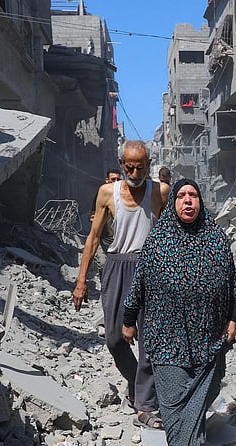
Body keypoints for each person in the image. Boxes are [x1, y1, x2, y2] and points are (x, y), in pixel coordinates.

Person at [121, 178, 236, 446]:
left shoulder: (216, 239)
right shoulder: (158, 241)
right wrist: (129, 320)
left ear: (201, 202)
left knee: (206, 388)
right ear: (173, 202)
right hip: (165, 335)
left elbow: (232, 283)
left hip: (208, 335)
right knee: (173, 400)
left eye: (194, 196)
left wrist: (232, 319)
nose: (188, 201)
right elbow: (139, 285)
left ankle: (188, 435)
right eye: (182, 196)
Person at [73, 139, 170, 429]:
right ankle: (137, 381)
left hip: (148, 267)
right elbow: (92, 239)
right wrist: (81, 281)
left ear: (149, 166)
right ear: (121, 165)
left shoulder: (160, 192)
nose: (136, 172)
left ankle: (145, 405)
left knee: (149, 341)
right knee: (115, 339)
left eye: (141, 167)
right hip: (116, 267)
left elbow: (169, 234)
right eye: (130, 167)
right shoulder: (107, 193)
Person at [88, 168, 122, 275]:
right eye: (113, 179)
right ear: (107, 180)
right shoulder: (101, 196)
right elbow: (93, 215)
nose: (115, 182)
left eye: (118, 179)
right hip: (102, 240)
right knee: (103, 265)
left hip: (118, 242)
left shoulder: (124, 198)